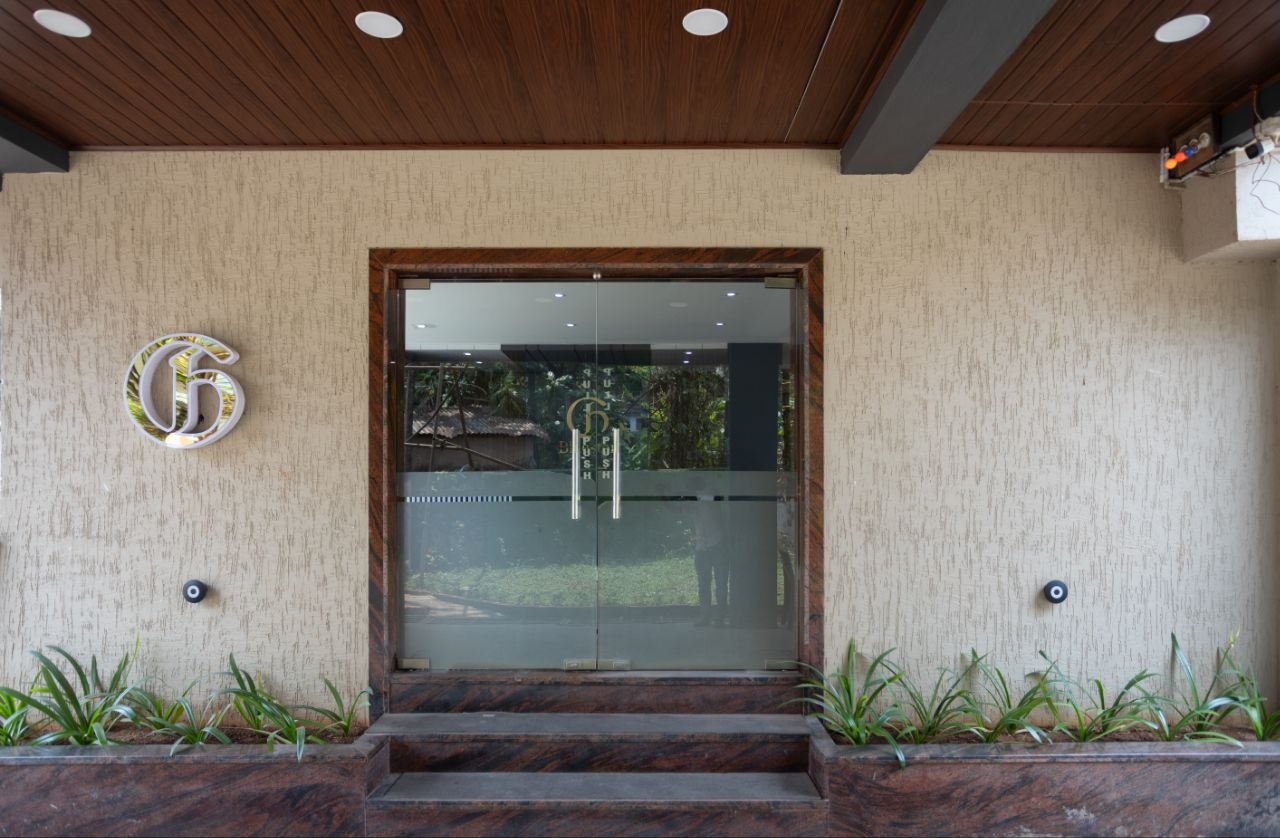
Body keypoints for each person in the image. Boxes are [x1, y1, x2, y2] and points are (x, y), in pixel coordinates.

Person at [690, 474, 728, 626]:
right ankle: (707, 615)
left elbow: (716, 502)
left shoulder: (711, 493)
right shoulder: (692, 501)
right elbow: (679, 511)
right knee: (705, 583)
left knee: (719, 582)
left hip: (717, 543)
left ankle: (718, 616)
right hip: (703, 546)